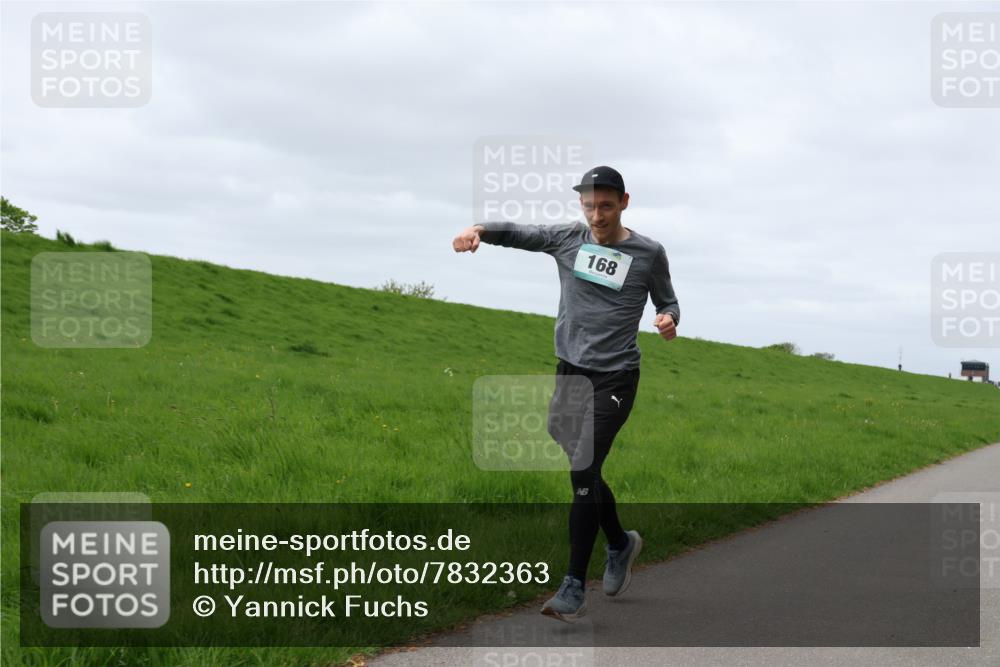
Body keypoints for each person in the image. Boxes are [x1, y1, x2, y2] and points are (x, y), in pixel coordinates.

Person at [452, 165, 680, 622]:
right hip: (570, 371)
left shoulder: (648, 252)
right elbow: (522, 232)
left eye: (606, 206)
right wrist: (479, 229)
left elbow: (667, 300)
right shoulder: (568, 239)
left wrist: (668, 319)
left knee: (582, 469)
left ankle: (573, 586)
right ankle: (619, 543)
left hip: (616, 376)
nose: (596, 215)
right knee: (580, 461)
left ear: (624, 202)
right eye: (589, 205)